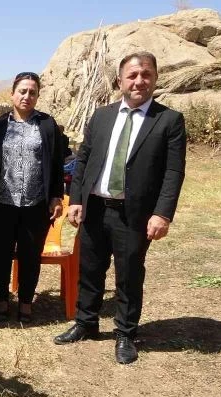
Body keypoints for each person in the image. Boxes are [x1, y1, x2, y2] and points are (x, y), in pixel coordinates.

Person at [53, 52, 187, 364]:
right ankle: (86, 323)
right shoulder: (101, 116)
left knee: (129, 274)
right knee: (89, 269)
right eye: (132, 75)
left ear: (155, 78)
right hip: (95, 208)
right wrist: (76, 199)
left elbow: (173, 172)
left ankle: (125, 333)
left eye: (146, 74)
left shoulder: (168, 120)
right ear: (120, 81)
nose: (139, 81)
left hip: (134, 214)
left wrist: (162, 213)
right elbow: (83, 160)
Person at [0, 72, 65, 324]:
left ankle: (26, 303)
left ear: (37, 96)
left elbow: (57, 164)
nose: (27, 96)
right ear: (12, 94)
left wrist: (56, 196)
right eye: (22, 91)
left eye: (32, 92)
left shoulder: (47, 125)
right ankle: (1, 299)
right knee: (0, 254)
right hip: (2, 204)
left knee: (31, 255)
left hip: (35, 204)